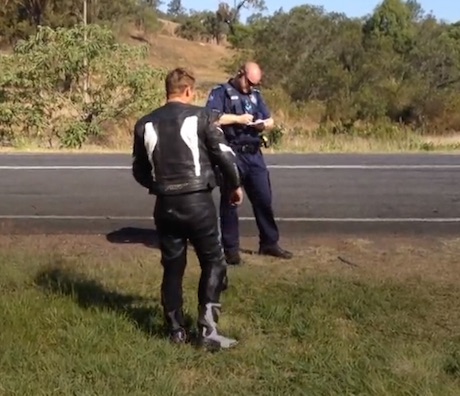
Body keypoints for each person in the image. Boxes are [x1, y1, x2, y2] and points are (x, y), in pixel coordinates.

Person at [131, 67, 246, 350]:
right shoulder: (203, 116)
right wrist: (234, 187)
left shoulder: (145, 123)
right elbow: (226, 158)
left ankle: (175, 331)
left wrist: (159, 186)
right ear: (187, 91)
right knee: (214, 262)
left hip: (165, 206)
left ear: (167, 90)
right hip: (198, 202)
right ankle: (208, 331)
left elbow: (139, 169)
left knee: (173, 266)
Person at [205, 61, 293, 265]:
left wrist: (263, 124)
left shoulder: (256, 96)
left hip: (254, 154)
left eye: (255, 84)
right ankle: (231, 250)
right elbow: (211, 118)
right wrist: (237, 119)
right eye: (249, 83)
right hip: (232, 152)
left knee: (264, 198)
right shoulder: (221, 92)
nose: (251, 87)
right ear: (240, 74)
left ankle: (269, 242)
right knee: (231, 201)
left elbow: (270, 120)